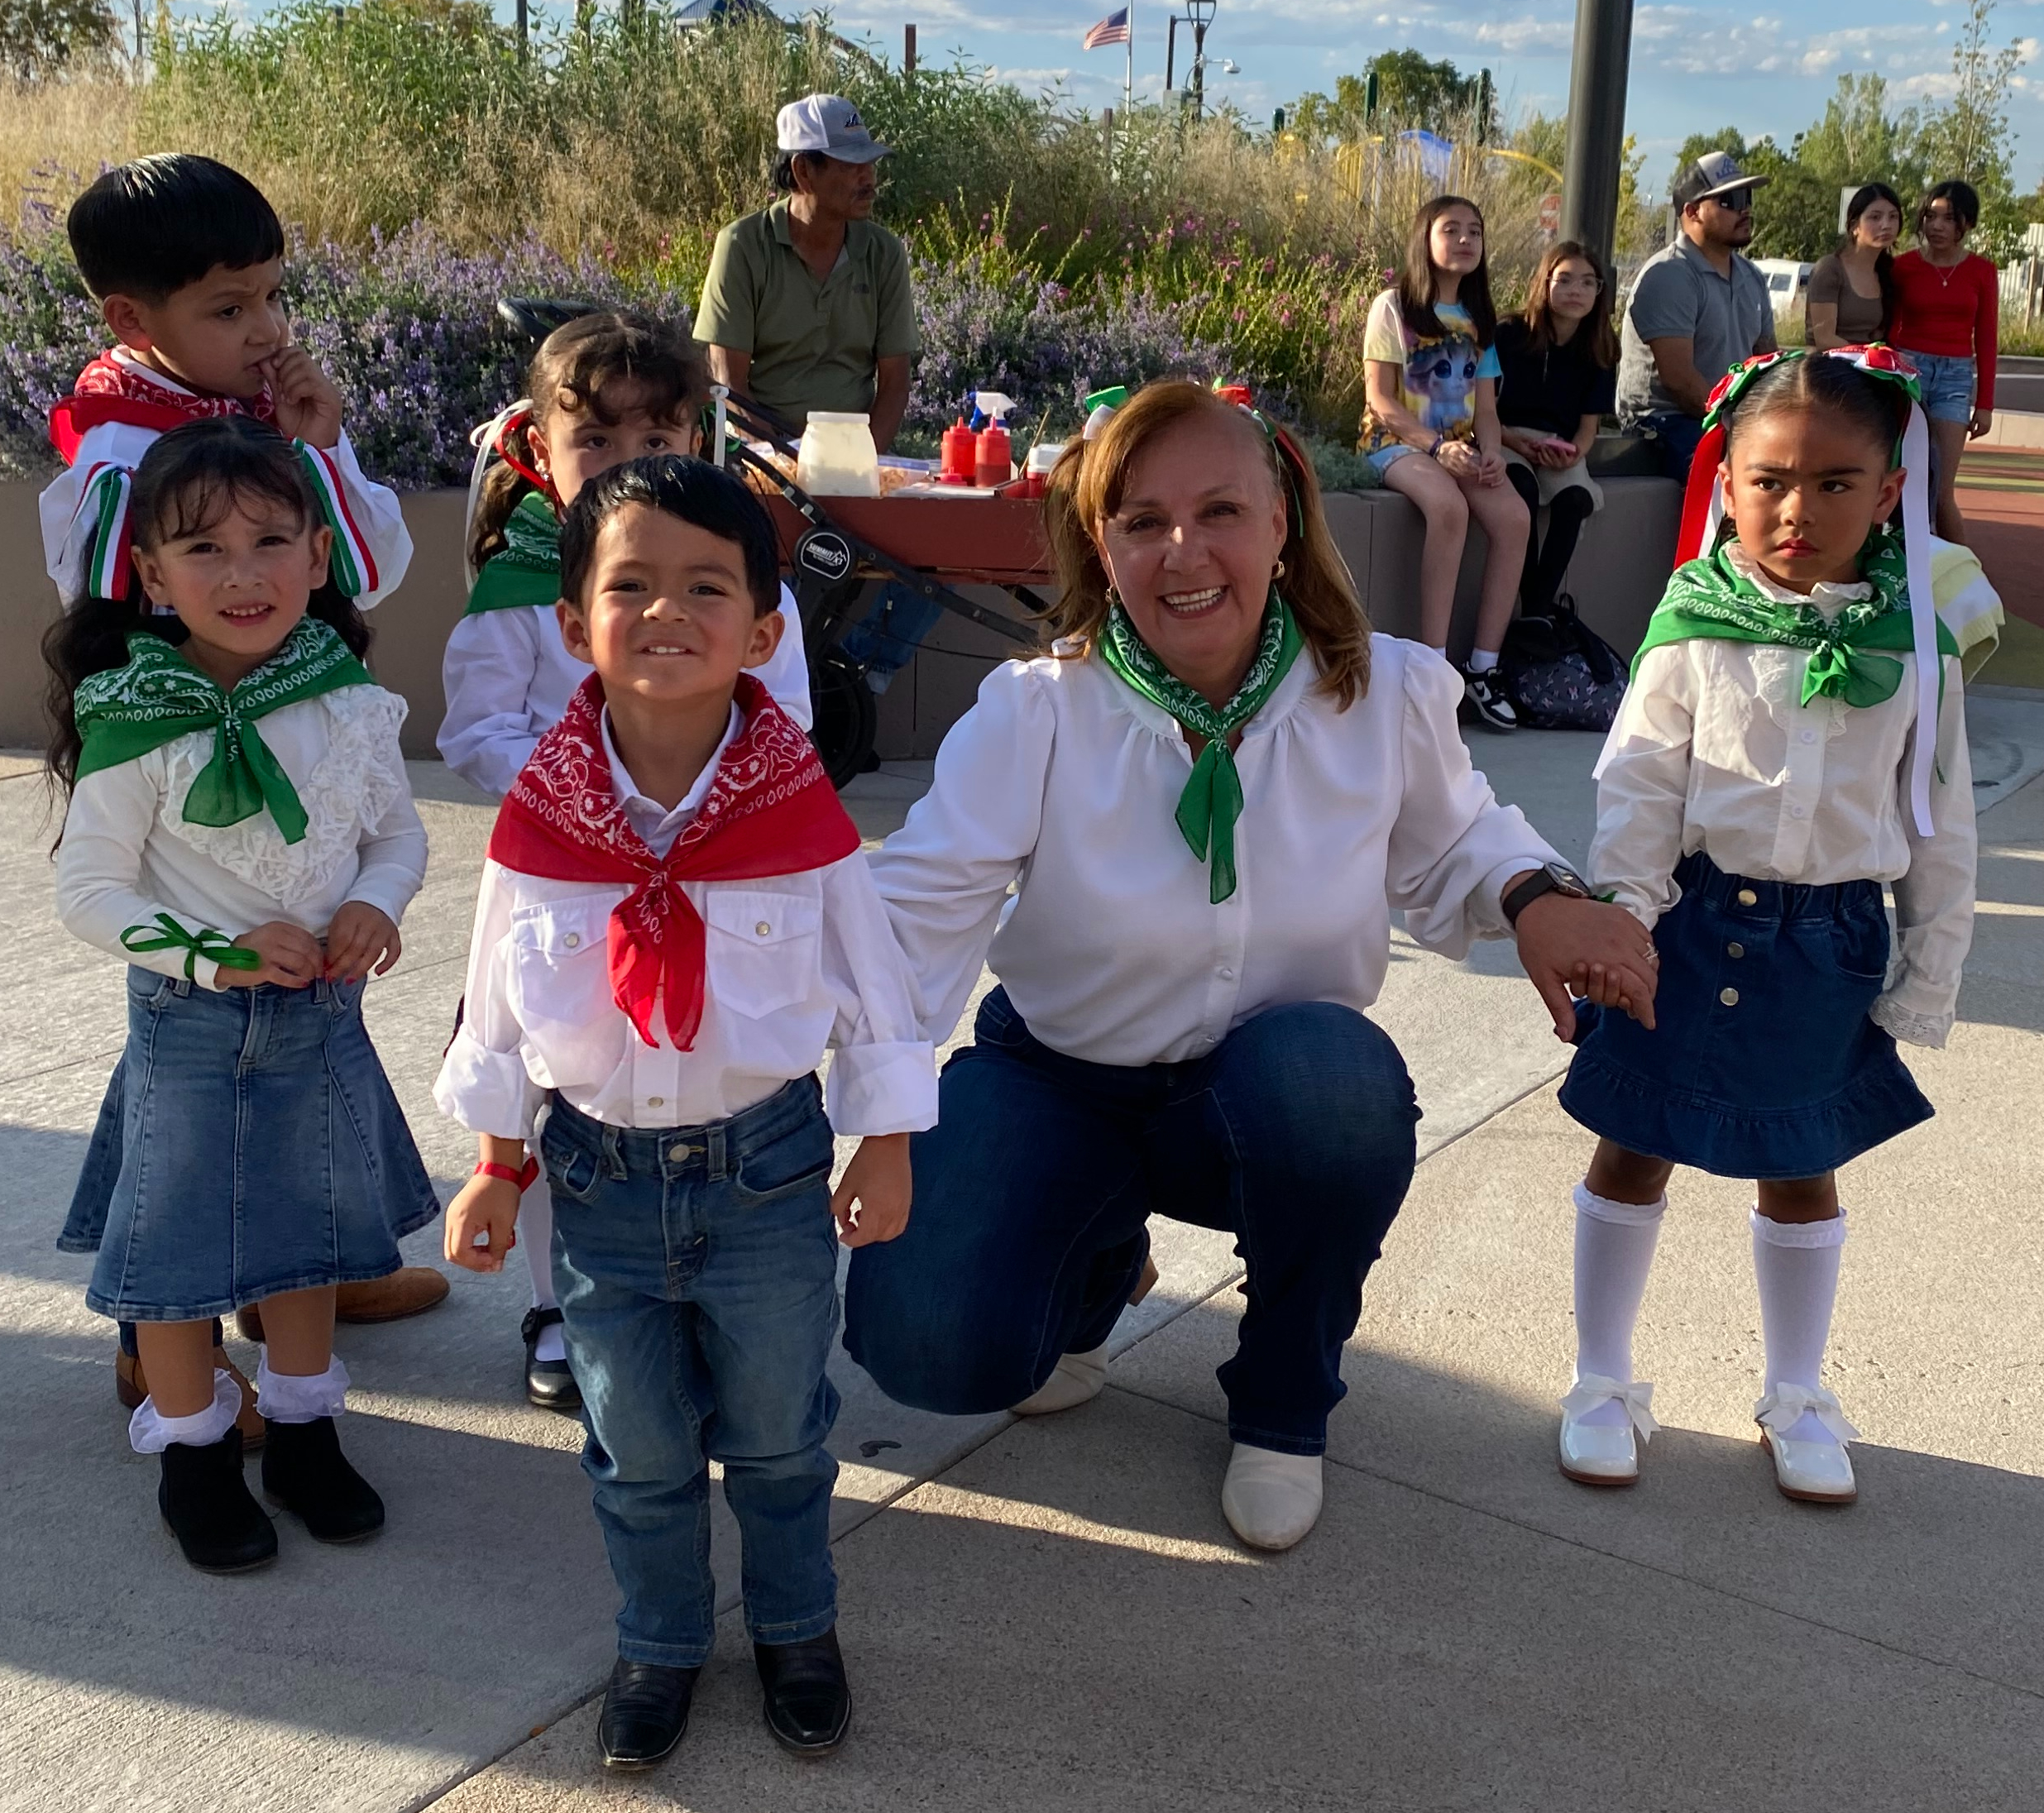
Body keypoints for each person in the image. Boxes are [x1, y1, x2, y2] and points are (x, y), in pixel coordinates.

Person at [845, 381, 1659, 1555]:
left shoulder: (1377, 692)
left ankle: (1281, 1397)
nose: (1183, 552)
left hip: (1260, 1092)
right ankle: (1096, 1259)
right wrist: (777, 1006)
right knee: (924, 1346)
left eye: (1219, 509)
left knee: (1336, 1088)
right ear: (1099, 544)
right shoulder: (1037, 712)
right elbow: (909, 908)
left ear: (1280, 524)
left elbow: (1460, 838)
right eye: (1138, 521)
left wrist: (1536, 898)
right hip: (1059, 1077)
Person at [434, 457, 934, 1771]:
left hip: (765, 1173)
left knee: (778, 1435)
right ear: (571, 624)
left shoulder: (798, 814)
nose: (666, 612)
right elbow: (496, 999)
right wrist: (496, 1165)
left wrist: (882, 1138)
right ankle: (658, 1639)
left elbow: (870, 982)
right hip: (596, 1183)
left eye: (705, 586)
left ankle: (793, 1625)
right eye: (630, 586)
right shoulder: (539, 824)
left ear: (762, 633)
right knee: (634, 1445)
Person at [41, 155, 449, 1433]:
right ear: (134, 321)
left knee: (315, 1052)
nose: (266, 331)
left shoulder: (275, 422)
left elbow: (368, 571)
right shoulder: (112, 442)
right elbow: (129, 590)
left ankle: (307, 1271)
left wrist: (319, 447)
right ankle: (159, 1321)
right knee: (180, 1082)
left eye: (274, 296)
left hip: (303, 742)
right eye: (228, 308)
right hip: (175, 772)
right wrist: (254, 469)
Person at [1553, 347, 1977, 1507]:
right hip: (1687, 929)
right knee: (1632, 1144)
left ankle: (1794, 1392)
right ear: (1727, 482)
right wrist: (1619, 925)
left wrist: (1923, 976)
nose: (1798, 510)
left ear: (1889, 491)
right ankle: (1599, 1379)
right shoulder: (1691, 623)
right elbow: (1637, 784)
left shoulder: (1915, 650)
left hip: (1825, 944)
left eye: (1835, 483)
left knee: (1800, 1164)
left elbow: (1938, 827)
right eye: (1770, 481)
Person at [48, 418, 439, 1572]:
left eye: (271, 540)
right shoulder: (140, 714)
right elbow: (87, 892)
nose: (242, 572)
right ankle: (194, 1452)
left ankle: (307, 1425)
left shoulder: (347, 699)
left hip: (321, 1021)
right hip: (189, 1029)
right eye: (202, 550)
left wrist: (376, 902)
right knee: (175, 1251)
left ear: (319, 558)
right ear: (151, 577)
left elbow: (395, 835)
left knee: (307, 1233)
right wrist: (212, 951)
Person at [438, 313, 811, 1412]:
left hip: (714, 894)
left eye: (655, 433)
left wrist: (692, 790)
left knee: (709, 1086)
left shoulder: (740, 580)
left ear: (696, 440)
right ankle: (568, 1301)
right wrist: (581, 787)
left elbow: (784, 720)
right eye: (593, 441)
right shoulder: (522, 591)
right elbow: (472, 730)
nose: (627, 462)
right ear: (538, 453)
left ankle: (700, 1287)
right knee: (562, 1089)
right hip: (563, 894)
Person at [695, 94, 925, 704]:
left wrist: (861, 460)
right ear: (803, 171)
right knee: (770, 562)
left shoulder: (882, 253)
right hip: (762, 454)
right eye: (849, 163)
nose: (867, 176)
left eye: (870, 161)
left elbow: (894, 378)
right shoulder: (742, 245)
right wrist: (780, 463)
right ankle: (777, 693)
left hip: (858, 452)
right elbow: (727, 383)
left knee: (940, 550)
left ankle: (856, 681)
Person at [1359, 194, 1529, 730]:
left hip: (1461, 448)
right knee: (1448, 508)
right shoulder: (1392, 306)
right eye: (1450, 229)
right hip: (1395, 442)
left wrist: (1494, 454)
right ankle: (1431, 669)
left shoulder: (1479, 319)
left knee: (1514, 518)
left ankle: (1482, 668)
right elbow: (1380, 400)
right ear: (1424, 240)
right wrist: (1434, 448)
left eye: (1473, 231)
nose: (1463, 239)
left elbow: (1486, 407)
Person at [1617, 151, 1779, 481]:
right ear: (1692, 211)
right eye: (1730, 200)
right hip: (1662, 419)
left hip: (1722, 418)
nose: (1745, 209)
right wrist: (1739, 424)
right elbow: (1679, 381)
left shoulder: (1751, 277)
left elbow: (1766, 363)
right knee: (1736, 475)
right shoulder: (1669, 274)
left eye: (1746, 197)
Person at [1494, 240, 1619, 618]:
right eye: (1564, 280)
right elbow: (1480, 409)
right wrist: (1513, 440)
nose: (1575, 291)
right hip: (1505, 435)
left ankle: (1534, 610)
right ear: (1544, 283)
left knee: (1575, 501)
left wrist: (1573, 454)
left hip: (1560, 446)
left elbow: (1588, 428)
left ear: (1599, 291)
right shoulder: (1510, 333)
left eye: (1587, 283)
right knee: (1523, 489)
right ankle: (1537, 611)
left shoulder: (1600, 346)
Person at [1890, 179, 1997, 543]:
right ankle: (1901, 567)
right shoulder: (1904, 267)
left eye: (1949, 219)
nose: (1937, 226)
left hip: (1955, 378)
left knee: (1941, 490)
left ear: (1966, 224)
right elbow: (1889, 327)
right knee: (1902, 479)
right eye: (1931, 216)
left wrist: (1984, 405)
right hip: (1910, 372)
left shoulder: (1982, 271)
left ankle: (1963, 577)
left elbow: (1986, 338)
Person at [1807, 184, 1903, 352]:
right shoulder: (1829, 268)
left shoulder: (1885, 272)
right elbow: (1824, 339)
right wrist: (1870, 358)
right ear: (1854, 226)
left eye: (1893, 217)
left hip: (1867, 371)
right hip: (1826, 368)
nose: (1886, 225)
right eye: (1875, 217)